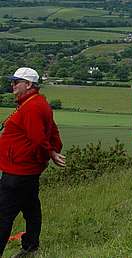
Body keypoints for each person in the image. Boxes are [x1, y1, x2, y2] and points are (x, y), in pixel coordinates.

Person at [0, 67, 65, 258]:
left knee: (4, 214)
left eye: (16, 81)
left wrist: (52, 152)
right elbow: (52, 131)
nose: (12, 85)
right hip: (26, 168)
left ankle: (28, 247)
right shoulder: (36, 103)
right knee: (31, 208)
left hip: (19, 169)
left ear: (28, 85)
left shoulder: (32, 107)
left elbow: (38, 137)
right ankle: (30, 247)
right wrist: (52, 151)